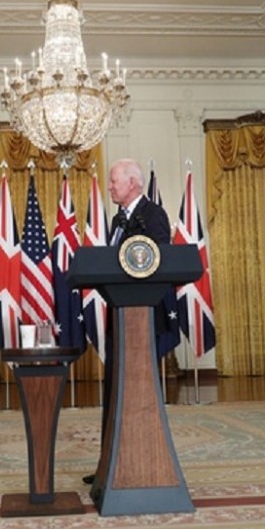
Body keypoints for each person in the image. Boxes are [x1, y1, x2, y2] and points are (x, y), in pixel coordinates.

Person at [83, 158, 171, 485]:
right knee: (115, 391)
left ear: (133, 183)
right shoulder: (118, 219)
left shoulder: (153, 215)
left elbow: (159, 261)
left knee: (137, 393)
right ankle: (111, 463)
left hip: (142, 321)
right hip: (119, 318)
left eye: (113, 182)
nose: (109, 187)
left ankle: (141, 461)